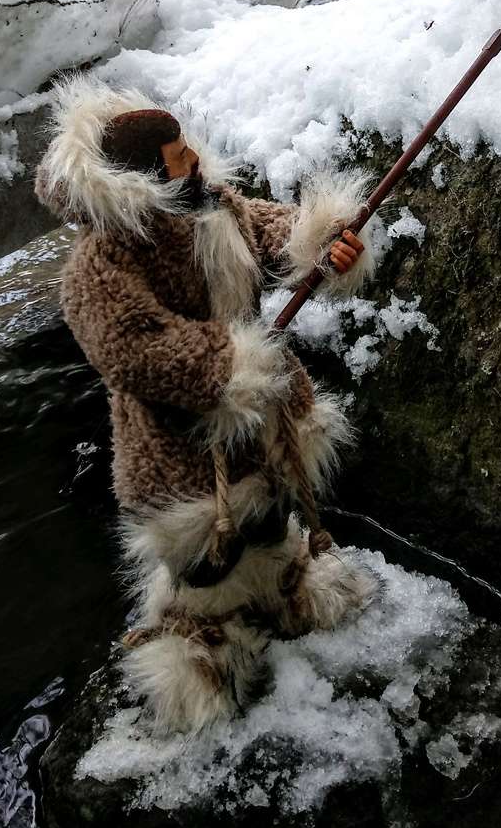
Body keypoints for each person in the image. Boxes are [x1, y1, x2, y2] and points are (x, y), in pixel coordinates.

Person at [35, 77, 377, 732]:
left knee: (272, 523)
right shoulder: (99, 263)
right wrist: (228, 365)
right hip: (177, 452)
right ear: (140, 179)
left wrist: (320, 241)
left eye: (190, 154)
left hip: (266, 422)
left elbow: (270, 230)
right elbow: (133, 346)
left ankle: (283, 590)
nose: (194, 166)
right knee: (207, 558)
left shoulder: (216, 207)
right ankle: (205, 644)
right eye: (178, 163)